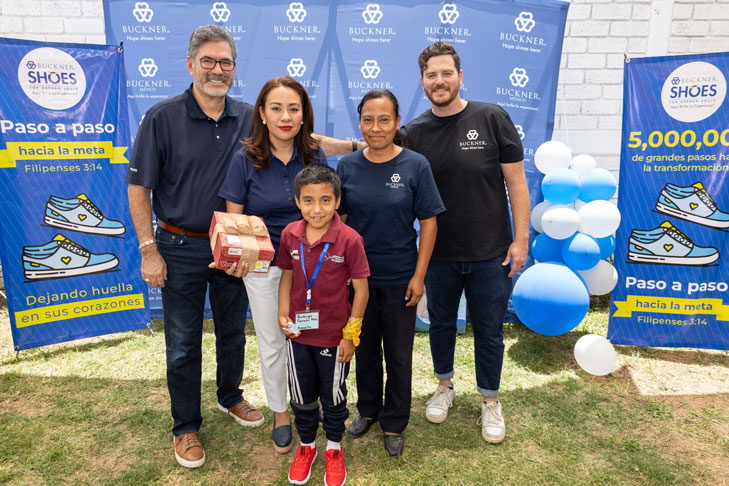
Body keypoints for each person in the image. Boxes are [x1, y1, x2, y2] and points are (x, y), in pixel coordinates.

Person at [127, 25, 262, 469]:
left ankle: (230, 396)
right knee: (183, 343)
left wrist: (362, 145)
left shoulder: (248, 116)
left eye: (225, 62)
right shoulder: (161, 117)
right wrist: (149, 249)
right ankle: (185, 426)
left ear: (234, 69)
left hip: (234, 245)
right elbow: (139, 187)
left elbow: (299, 139)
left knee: (231, 330)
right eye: (208, 61)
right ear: (190, 65)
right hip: (178, 246)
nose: (217, 70)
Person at [398, 42, 530, 444]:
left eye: (445, 73)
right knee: (440, 324)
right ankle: (444, 386)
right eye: (431, 75)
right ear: (422, 82)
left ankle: (490, 401)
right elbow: (372, 146)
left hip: (492, 252)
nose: (439, 81)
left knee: (489, 331)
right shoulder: (415, 132)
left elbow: (517, 183)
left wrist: (521, 239)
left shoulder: (491, 118)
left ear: (459, 76)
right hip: (439, 254)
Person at [217, 76, 326, 454]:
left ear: (303, 115)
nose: (285, 116)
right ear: (262, 114)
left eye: (293, 109)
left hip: (312, 267)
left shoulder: (315, 156)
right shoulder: (243, 159)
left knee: (312, 335)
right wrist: (238, 259)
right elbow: (235, 226)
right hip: (265, 269)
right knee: (273, 341)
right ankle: (281, 413)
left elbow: (328, 213)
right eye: (276, 108)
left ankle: (312, 404)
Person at [336, 89, 444, 457]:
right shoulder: (347, 167)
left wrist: (419, 276)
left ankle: (394, 421)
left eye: (384, 119)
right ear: (360, 121)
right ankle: (368, 410)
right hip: (358, 281)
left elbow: (428, 223)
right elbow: (342, 223)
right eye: (368, 119)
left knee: (398, 354)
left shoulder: (416, 165)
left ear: (397, 122)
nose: (376, 127)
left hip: (400, 278)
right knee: (363, 348)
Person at [277, 165, 369, 486]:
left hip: (335, 338)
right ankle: (306, 447)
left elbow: (362, 291)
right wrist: (281, 313)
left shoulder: (349, 240)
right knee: (301, 396)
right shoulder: (290, 234)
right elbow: (286, 276)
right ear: (298, 202)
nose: (317, 209)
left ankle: (332, 448)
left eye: (326, 200)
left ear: (338, 201)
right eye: (309, 201)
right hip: (298, 336)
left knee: (333, 397)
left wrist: (351, 336)